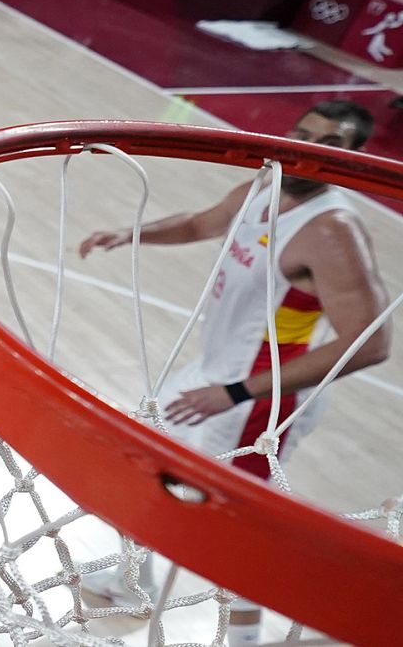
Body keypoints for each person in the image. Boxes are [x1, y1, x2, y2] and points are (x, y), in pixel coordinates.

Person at [77, 101, 391, 647]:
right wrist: (131, 233)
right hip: (216, 372)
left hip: (264, 395)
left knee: (233, 529)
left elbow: (371, 343)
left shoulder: (333, 231)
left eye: (330, 143)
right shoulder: (266, 184)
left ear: (354, 156)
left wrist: (237, 392)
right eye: (303, 133)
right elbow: (202, 222)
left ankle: (243, 639)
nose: (308, 149)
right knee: (145, 461)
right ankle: (131, 582)